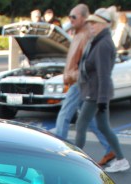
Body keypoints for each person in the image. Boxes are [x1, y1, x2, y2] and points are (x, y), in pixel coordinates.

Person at [55, 4, 114, 166]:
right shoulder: (79, 34)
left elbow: (88, 64)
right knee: (90, 120)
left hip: (80, 82)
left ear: (83, 18)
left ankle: (59, 149)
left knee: (64, 115)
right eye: (69, 17)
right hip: (78, 81)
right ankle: (110, 148)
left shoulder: (87, 35)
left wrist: (74, 76)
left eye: (74, 17)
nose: (70, 20)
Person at [74, 9, 130, 173]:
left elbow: (104, 74)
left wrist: (102, 100)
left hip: (96, 93)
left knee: (81, 125)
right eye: (90, 23)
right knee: (103, 126)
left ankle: (75, 159)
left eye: (94, 23)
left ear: (104, 24)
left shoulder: (103, 44)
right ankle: (121, 158)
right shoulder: (99, 41)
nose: (91, 26)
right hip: (95, 91)